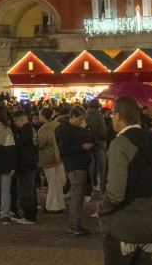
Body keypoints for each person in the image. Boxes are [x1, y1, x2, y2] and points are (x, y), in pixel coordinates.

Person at [99, 96, 152, 265]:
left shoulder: (121, 143)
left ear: (118, 116)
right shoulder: (151, 140)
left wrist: (102, 209)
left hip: (123, 226)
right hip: (147, 224)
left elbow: (115, 193)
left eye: (113, 114)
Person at [57, 105, 96, 235]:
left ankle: (75, 225)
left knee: (77, 196)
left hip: (78, 165)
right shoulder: (65, 130)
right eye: (79, 119)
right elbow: (64, 150)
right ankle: (75, 225)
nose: (81, 122)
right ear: (72, 116)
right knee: (77, 197)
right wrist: (82, 147)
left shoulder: (73, 129)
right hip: (75, 165)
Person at [11, 110, 39, 224]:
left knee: (25, 190)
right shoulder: (32, 130)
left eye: (16, 121)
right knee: (30, 189)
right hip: (31, 163)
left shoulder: (25, 131)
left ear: (22, 119)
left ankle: (29, 216)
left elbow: (18, 145)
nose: (15, 123)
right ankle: (31, 213)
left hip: (25, 164)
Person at [37, 107, 65, 213]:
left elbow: (41, 143)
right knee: (57, 183)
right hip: (58, 157)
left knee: (53, 183)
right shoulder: (56, 125)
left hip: (49, 158)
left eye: (40, 115)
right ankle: (59, 205)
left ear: (43, 116)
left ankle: (53, 206)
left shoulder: (46, 128)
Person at [86, 99, 109, 192]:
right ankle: (103, 188)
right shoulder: (99, 116)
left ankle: (89, 188)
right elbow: (103, 132)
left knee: (90, 168)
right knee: (103, 168)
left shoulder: (85, 116)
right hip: (100, 145)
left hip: (89, 145)